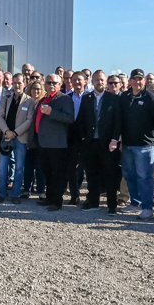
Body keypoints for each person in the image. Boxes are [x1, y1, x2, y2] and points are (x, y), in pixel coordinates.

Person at [119, 69, 154, 219]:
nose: (137, 82)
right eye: (135, 79)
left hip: (145, 145)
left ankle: (148, 207)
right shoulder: (124, 97)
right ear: (130, 81)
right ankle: (135, 203)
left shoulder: (151, 98)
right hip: (127, 145)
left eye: (140, 79)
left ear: (144, 81)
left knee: (144, 177)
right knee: (129, 175)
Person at [77, 70, 122, 212]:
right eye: (96, 80)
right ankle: (93, 202)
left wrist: (115, 139)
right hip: (90, 143)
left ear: (105, 81)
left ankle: (111, 205)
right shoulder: (86, 98)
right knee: (91, 174)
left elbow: (118, 122)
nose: (99, 82)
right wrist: (83, 137)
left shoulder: (113, 98)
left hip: (108, 143)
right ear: (92, 81)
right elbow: (81, 120)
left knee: (110, 174)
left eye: (102, 80)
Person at [0, 74, 37, 204]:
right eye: (15, 83)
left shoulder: (29, 101)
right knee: (2, 167)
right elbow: (0, 116)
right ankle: (1, 193)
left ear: (24, 84)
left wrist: (15, 132)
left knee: (19, 168)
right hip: (6, 137)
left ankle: (15, 195)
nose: (17, 85)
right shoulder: (6, 98)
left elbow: (30, 120)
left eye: (19, 83)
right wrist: (7, 131)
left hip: (20, 138)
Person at [35, 74, 74, 211]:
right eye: (48, 82)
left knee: (57, 174)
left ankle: (57, 202)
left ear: (60, 84)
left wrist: (52, 112)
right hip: (43, 143)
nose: (51, 84)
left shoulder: (64, 99)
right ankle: (49, 198)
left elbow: (70, 118)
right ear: (44, 84)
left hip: (57, 144)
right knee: (47, 173)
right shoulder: (43, 99)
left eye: (54, 82)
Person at [64, 71, 87, 205]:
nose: (77, 82)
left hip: (87, 137)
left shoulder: (90, 98)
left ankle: (91, 196)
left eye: (80, 80)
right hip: (71, 136)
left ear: (85, 81)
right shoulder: (66, 98)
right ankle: (74, 195)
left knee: (87, 167)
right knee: (71, 167)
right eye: (74, 80)